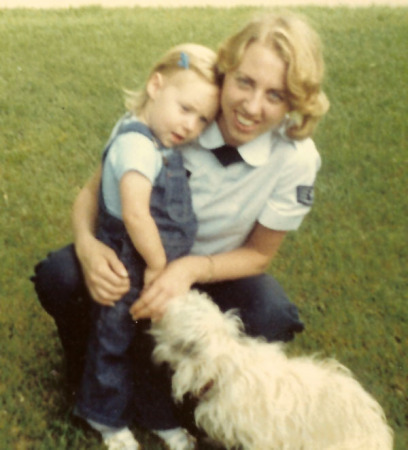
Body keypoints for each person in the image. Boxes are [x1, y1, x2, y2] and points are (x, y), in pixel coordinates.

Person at [31, 12, 329, 450]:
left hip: (211, 271)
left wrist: (187, 270)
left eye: (275, 95)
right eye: (244, 82)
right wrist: (88, 244)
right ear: (225, 71)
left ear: (295, 103)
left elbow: (259, 254)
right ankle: (91, 375)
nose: (251, 106)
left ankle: (193, 397)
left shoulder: (297, 158)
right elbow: (90, 194)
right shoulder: (177, 111)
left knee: (270, 315)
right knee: (61, 276)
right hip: (134, 259)